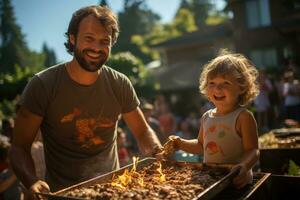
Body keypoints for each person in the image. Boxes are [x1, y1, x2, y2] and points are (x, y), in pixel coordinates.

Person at [9, 5, 162, 195]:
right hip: (63, 194)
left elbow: (142, 131)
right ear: (73, 38)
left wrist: (157, 152)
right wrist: (31, 181)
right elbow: (19, 148)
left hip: (113, 191)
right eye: (89, 38)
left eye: (104, 41)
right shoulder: (43, 85)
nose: (96, 48)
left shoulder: (120, 83)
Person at [161, 51, 260, 189]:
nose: (218, 88)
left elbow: (253, 150)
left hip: (237, 179)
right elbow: (201, 146)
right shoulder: (207, 116)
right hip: (212, 179)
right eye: (212, 83)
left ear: (241, 87)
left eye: (225, 83)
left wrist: (243, 166)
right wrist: (180, 143)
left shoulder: (243, 117)